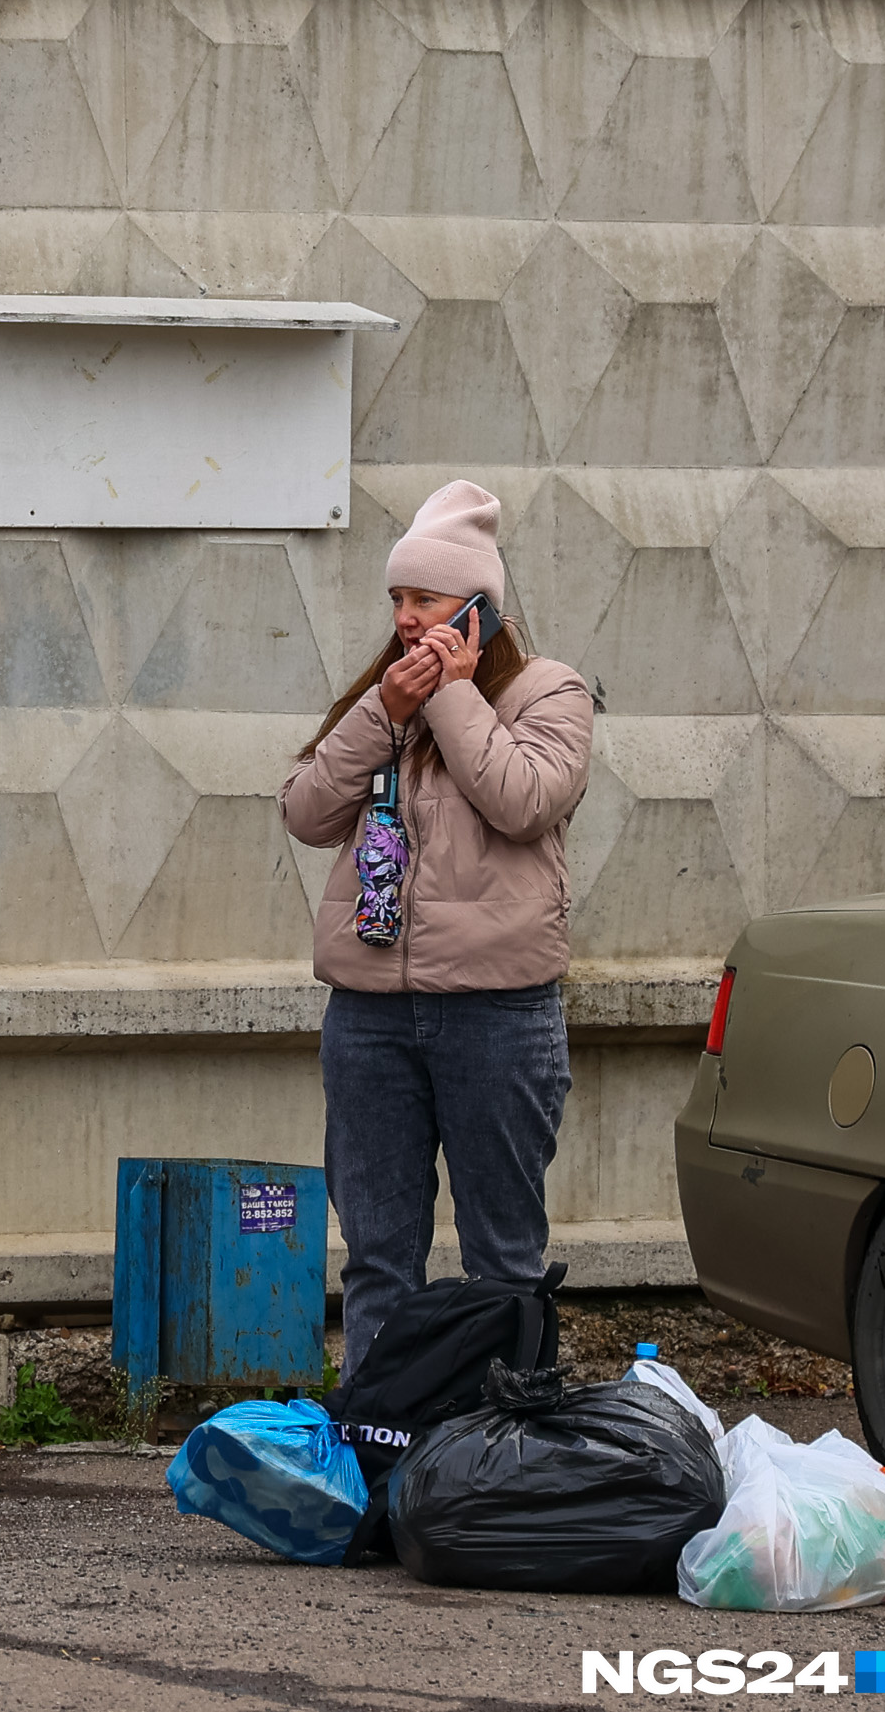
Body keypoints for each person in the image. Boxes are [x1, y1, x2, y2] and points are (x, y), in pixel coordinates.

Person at [280, 480, 595, 1373]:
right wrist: (382, 714)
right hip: (370, 1014)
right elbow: (305, 811)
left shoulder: (548, 692)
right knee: (379, 1258)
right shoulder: (384, 701)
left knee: (503, 1257)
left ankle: (509, 1457)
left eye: (423, 599)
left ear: (477, 609)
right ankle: (381, 1448)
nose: (407, 618)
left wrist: (453, 698)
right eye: (397, 600)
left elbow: (524, 800)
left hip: (497, 1014)